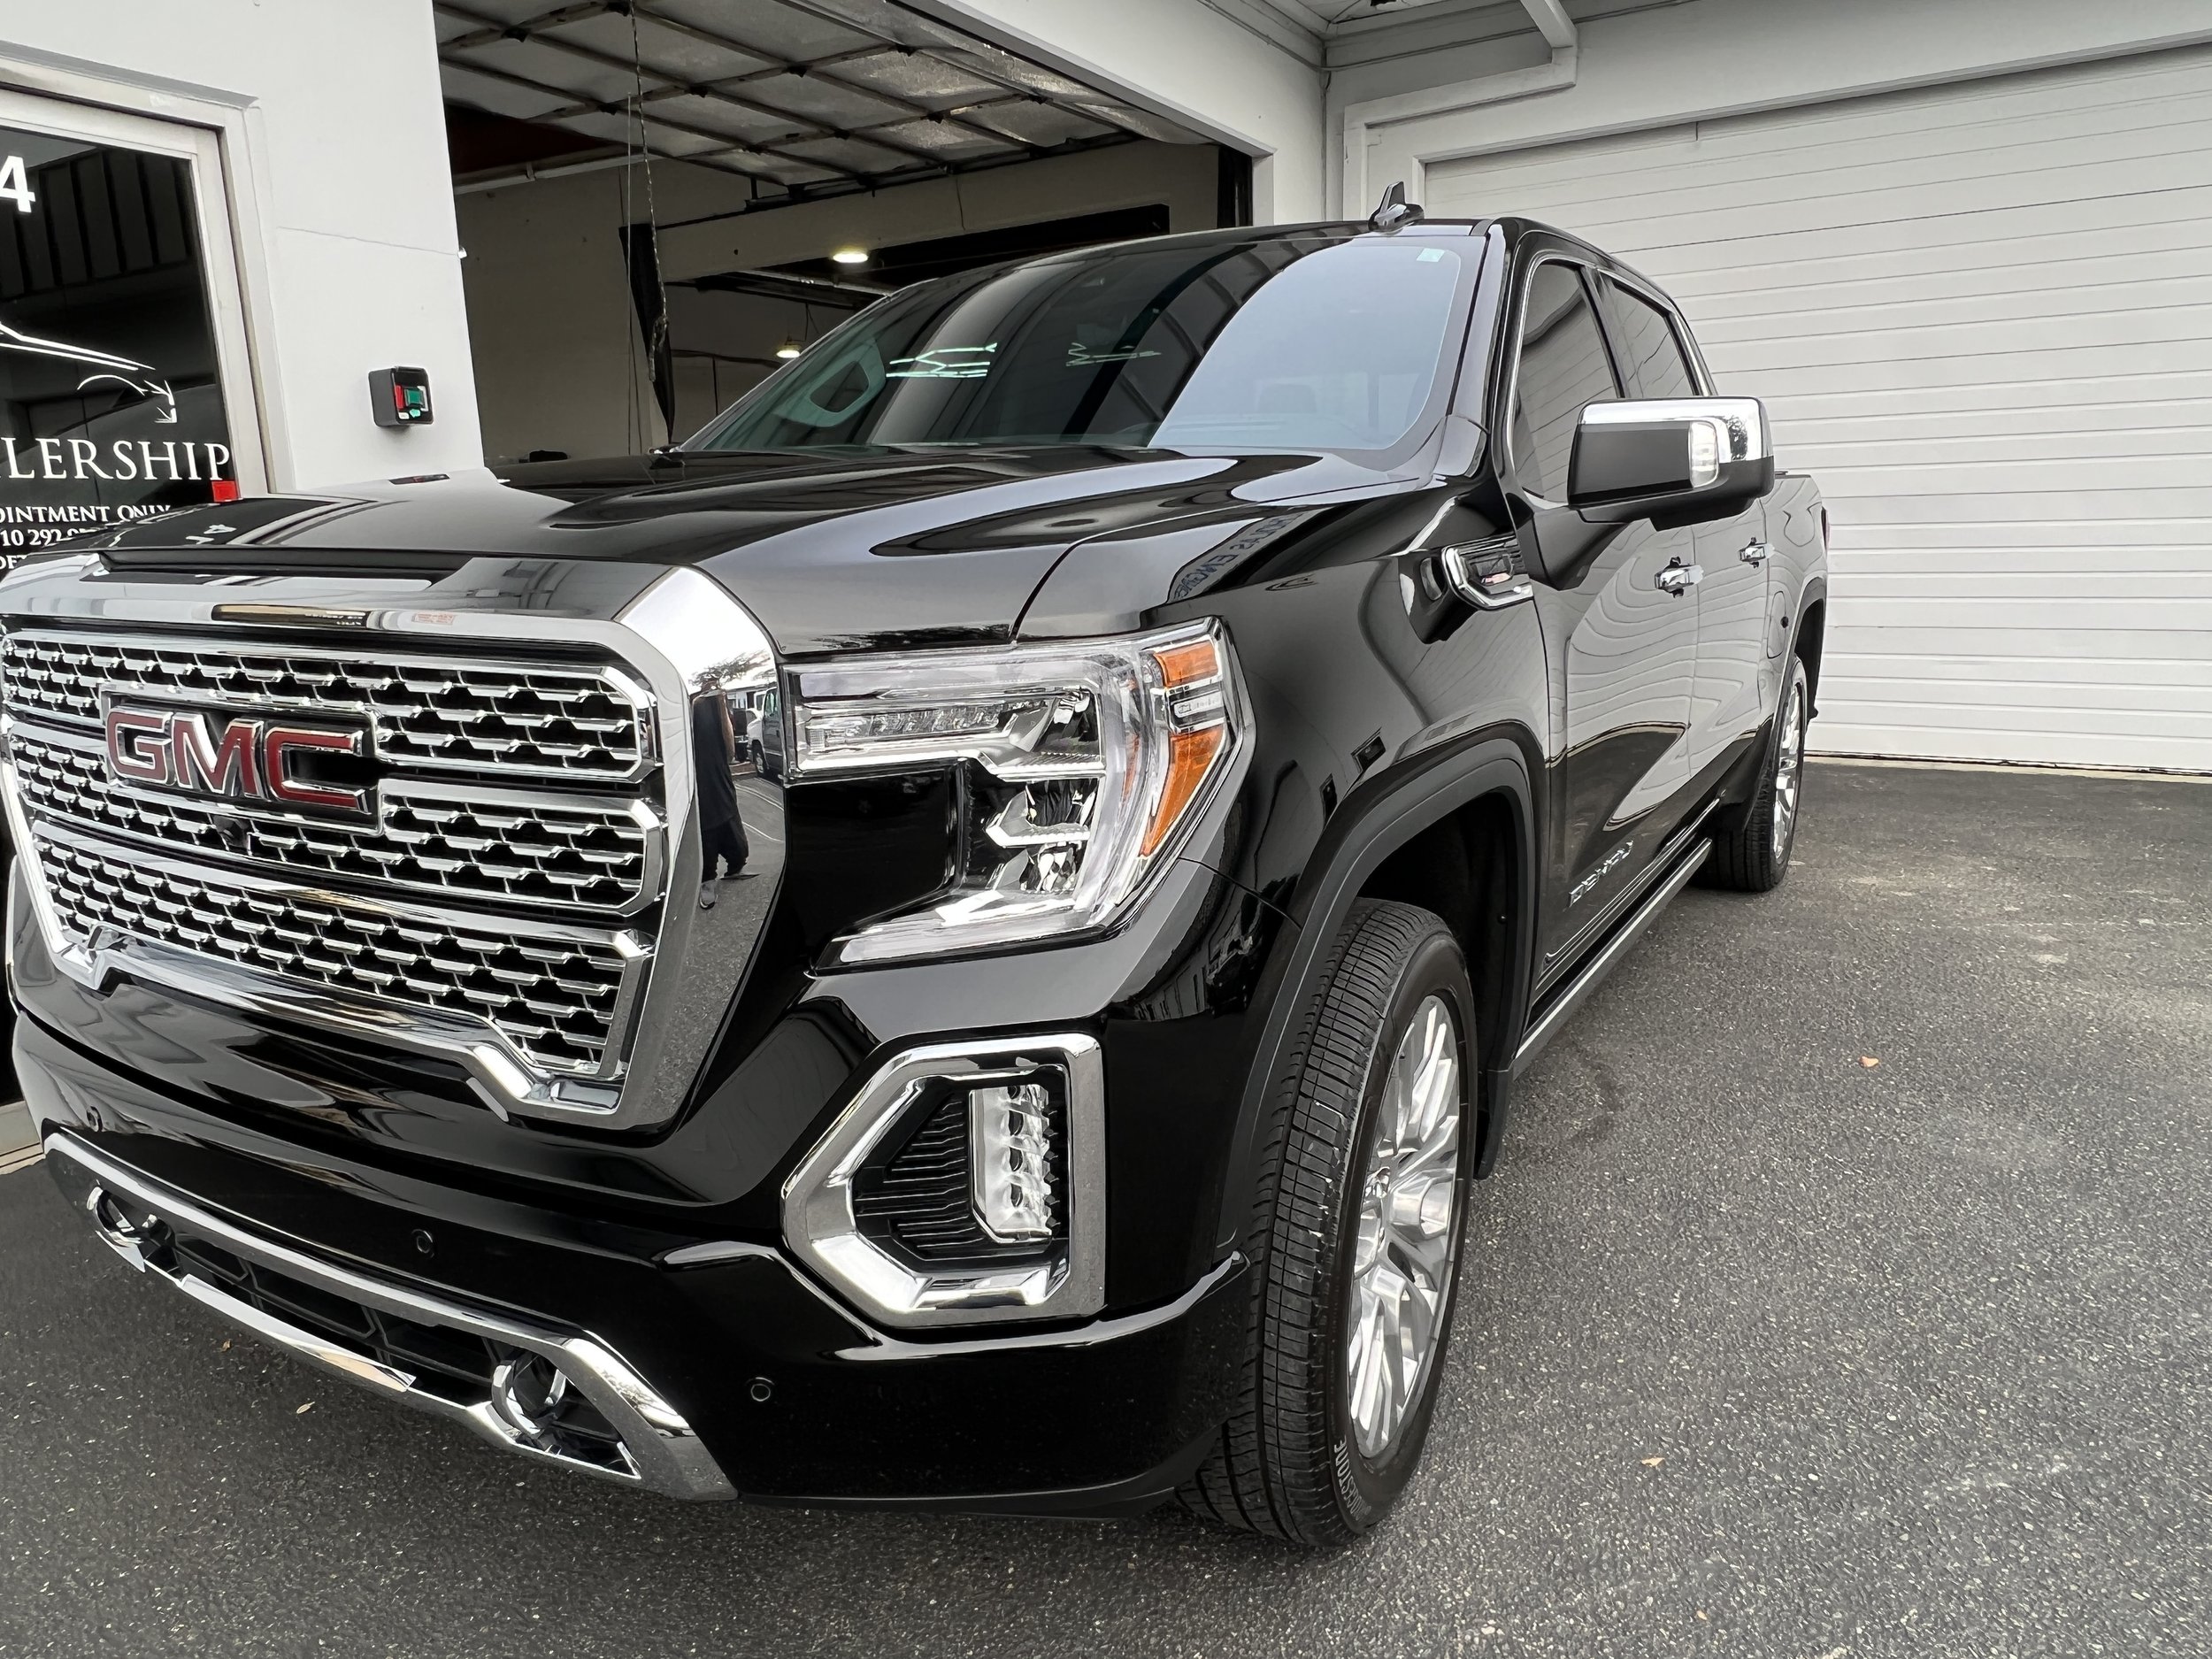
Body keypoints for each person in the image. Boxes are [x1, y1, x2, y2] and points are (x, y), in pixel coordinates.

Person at [691, 693, 749, 909]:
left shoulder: (715, 703)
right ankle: (707, 878)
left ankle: (733, 865)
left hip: (721, 784)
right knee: (706, 830)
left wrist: (720, 701)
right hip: (697, 787)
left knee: (739, 851)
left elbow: (730, 752)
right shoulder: (695, 707)